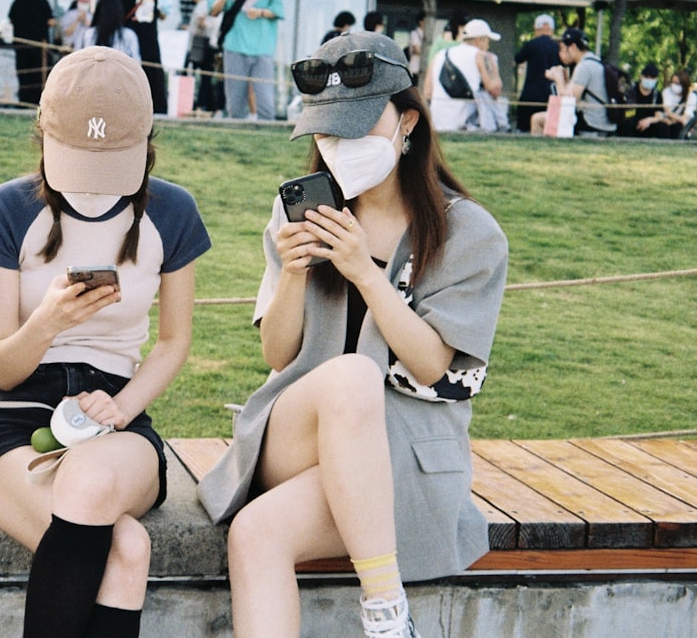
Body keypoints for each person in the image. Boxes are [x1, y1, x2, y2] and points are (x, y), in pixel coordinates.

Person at [197, 31, 507, 638]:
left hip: (401, 458)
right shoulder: (302, 211)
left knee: (256, 534)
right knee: (345, 377)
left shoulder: (469, 234)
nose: (340, 147)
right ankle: (388, 613)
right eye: (327, 131)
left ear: (408, 122)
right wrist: (292, 273)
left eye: (359, 128)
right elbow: (277, 355)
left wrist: (366, 273)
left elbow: (434, 368)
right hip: (298, 433)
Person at [0, 46, 211, 638]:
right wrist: (46, 322)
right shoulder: (3, 211)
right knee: (126, 551)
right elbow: (3, 367)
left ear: (146, 142)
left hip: (117, 414)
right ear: (42, 132)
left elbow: (174, 341)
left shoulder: (172, 212)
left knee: (92, 481)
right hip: (17, 417)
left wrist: (122, 407)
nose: (94, 190)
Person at [208, 0, 285, 121]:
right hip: (234, 46)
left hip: (263, 47)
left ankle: (265, 138)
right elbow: (213, 10)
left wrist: (260, 12)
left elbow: (278, 9)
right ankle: (236, 138)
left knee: (266, 104)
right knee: (235, 105)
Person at [532, 28, 617, 137]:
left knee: (537, 119)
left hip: (592, 123)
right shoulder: (594, 61)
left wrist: (558, 79)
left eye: (562, 48)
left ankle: (540, 152)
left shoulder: (584, 66)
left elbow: (568, 103)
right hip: (604, 122)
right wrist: (566, 80)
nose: (559, 53)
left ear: (572, 47)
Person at [110, 0, 170, 115]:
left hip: (150, 42)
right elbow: (116, 14)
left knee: (154, 82)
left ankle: (157, 114)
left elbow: (163, 15)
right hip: (128, 44)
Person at [428, 18, 502, 132]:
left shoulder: (440, 54)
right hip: (465, 125)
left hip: (437, 123)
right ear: (479, 40)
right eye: (487, 40)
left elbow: (427, 92)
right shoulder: (482, 56)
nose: (488, 45)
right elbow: (495, 89)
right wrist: (493, 64)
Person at [9, 0, 57, 105]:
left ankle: (24, 99)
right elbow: (51, 21)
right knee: (35, 73)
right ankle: (35, 100)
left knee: (24, 73)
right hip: (37, 45)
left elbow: (12, 20)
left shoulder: (19, 2)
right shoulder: (42, 3)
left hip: (22, 44)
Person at [514, 14, 560, 132]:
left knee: (525, 128)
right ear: (551, 29)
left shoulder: (531, 45)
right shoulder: (558, 47)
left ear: (538, 28)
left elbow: (517, 59)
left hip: (530, 93)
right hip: (551, 94)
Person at [186, 0, 224, 114]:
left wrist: (206, 27)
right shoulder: (217, 4)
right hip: (212, 44)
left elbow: (200, 22)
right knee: (208, 77)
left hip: (201, 45)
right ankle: (209, 106)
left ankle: (198, 104)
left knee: (198, 75)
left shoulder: (203, 4)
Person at [74, 0, 141, 61]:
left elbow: (78, 58)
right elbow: (136, 62)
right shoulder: (129, 35)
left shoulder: (88, 34)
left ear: (98, 13)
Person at [620, 63, 669, 138]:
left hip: (648, 125)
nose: (649, 80)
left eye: (652, 77)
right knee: (626, 123)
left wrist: (648, 120)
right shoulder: (631, 90)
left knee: (663, 126)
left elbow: (658, 116)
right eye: (646, 77)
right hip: (631, 122)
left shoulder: (657, 95)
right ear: (641, 77)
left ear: (656, 79)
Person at [662, 69, 696, 138]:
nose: (674, 85)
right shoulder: (667, 92)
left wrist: (673, 121)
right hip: (667, 121)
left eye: (677, 83)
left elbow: (686, 116)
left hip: (680, 123)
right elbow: (667, 111)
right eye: (673, 82)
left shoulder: (691, 96)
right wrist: (679, 119)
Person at [407, 12, 424, 83]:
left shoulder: (427, 34)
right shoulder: (415, 33)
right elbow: (416, 49)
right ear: (420, 22)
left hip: (423, 69)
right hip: (415, 68)